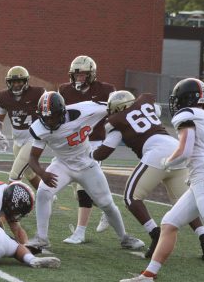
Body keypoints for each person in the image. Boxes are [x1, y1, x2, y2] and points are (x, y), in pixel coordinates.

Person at [120, 79, 204, 282]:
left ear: (185, 98)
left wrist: (167, 161)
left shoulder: (186, 114)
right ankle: (148, 275)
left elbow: (185, 149)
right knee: (169, 223)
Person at [93, 90, 204, 260]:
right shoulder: (148, 108)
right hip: (176, 150)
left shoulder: (118, 125)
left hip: (156, 153)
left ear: (117, 109)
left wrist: (90, 153)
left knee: (131, 197)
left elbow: (102, 153)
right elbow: (154, 109)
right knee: (184, 203)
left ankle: (155, 233)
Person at [26, 91, 144, 251]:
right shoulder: (40, 128)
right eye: (45, 117)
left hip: (87, 163)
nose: (49, 121)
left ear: (62, 111)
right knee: (43, 192)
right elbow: (33, 158)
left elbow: (115, 106)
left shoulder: (87, 110)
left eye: (52, 116)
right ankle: (41, 238)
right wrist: (42, 173)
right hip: (62, 165)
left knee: (107, 203)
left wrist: (138, 108)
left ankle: (124, 238)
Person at [58, 55, 115, 244]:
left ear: (91, 75)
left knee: (84, 188)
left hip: (95, 143)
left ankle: (80, 232)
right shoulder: (64, 90)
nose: (79, 78)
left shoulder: (106, 90)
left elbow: (117, 110)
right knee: (82, 190)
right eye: (76, 75)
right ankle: (107, 208)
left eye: (83, 75)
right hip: (74, 145)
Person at [0, 66, 45, 189]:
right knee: (29, 173)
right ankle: (48, 195)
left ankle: (10, 206)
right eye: (13, 82)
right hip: (17, 140)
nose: (16, 85)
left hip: (32, 139)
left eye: (19, 81)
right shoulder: (4, 97)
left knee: (14, 175)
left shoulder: (37, 93)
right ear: (9, 83)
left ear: (26, 82)